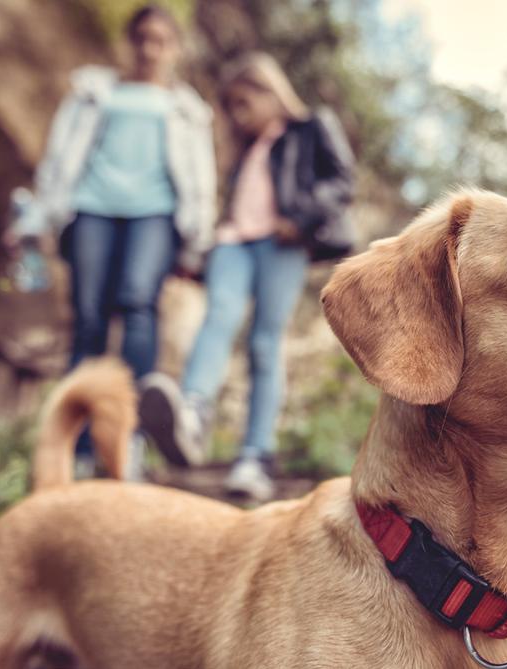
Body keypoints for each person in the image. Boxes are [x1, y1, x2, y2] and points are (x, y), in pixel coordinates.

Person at [5, 4, 216, 478]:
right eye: (142, 38)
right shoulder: (93, 92)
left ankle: (130, 439)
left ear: (175, 49)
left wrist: (196, 241)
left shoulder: (187, 109)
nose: (150, 49)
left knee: (139, 306)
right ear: (131, 41)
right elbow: (58, 160)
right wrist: (36, 217)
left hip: (156, 216)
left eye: (161, 40)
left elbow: (201, 179)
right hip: (91, 208)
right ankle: (77, 448)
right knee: (88, 319)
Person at [139, 52, 355, 499]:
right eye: (232, 107)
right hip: (234, 242)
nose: (238, 116)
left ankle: (255, 455)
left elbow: (341, 181)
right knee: (218, 316)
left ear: (270, 91)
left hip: (282, 243)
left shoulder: (311, 127)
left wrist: (301, 218)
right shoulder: (246, 152)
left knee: (264, 342)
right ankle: (193, 416)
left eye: (244, 103)